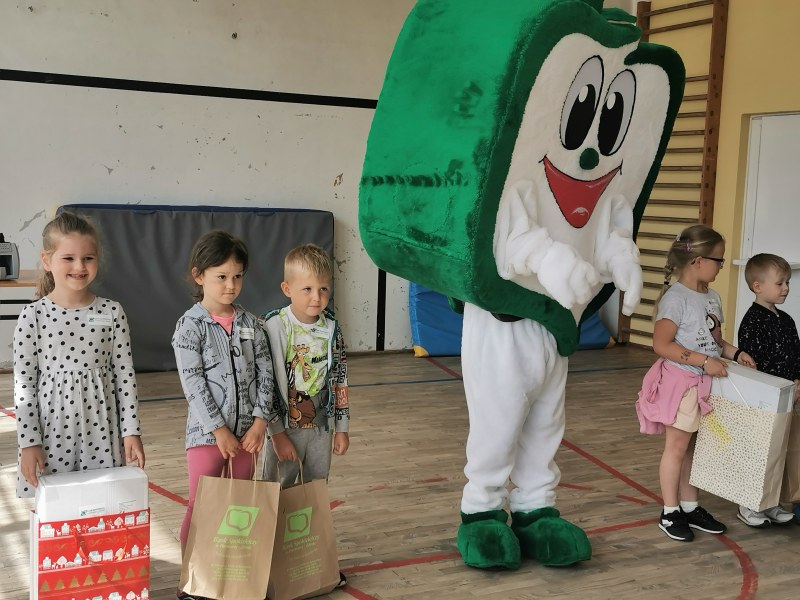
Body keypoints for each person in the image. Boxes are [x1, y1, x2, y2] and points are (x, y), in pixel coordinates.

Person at [171, 230, 276, 599]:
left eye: (237, 276)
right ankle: (191, 580)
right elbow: (193, 384)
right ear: (199, 276)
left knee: (238, 508)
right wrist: (217, 430)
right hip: (206, 438)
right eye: (221, 277)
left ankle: (231, 577)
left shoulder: (252, 323)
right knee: (202, 507)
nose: (231, 285)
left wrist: (261, 422)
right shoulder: (189, 327)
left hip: (248, 437)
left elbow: (267, 373)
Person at [636, 224, 755, 542]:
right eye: (719, 260)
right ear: (698, 261)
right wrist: (704, 362)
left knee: (693, 449)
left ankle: (690, 506)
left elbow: (712, 341)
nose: (721, 266)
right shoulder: (676, 299)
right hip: (683, 384)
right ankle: (670, 511)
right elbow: (662, 344)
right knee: (676, 448)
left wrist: (736, 352)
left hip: (705, 384)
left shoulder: (712, 297)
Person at [14, 211, 145, 499]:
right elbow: (24, 384)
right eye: (68, 258)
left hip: (101, 431)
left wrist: (131, 430)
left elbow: (125, 376)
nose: (79, 266)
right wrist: (29, 442)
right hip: (51, 434)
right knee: (55, 512)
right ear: (47, 261)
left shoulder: (112, 312)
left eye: (88, 258)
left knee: (100, 508)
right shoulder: (32, 316)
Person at [259, 243, 350, 486]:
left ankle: (308, 527)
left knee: (316, 488)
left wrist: (341, 427)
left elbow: (341, 377)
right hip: (284, 428)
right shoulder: (274, 326)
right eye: (307, 289)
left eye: (323, 289)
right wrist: (276, 432)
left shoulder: (332, 328)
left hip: (320, 428)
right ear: (287, 288)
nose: (316, 297)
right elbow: (264, 384)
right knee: (277, 488)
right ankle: (275, 527)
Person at [735, 253, 800, 527]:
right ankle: (750, 504)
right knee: (760, 452)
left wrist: (797, 381)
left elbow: (795, 354)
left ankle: (771, 503)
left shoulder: (786, 320)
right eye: (780, 283)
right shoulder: (752, 321)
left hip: (789, 396)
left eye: (787, 282)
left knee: (781, 452)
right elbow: (754, 365)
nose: (786, 288)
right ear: (758, 286)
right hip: (765, 399)